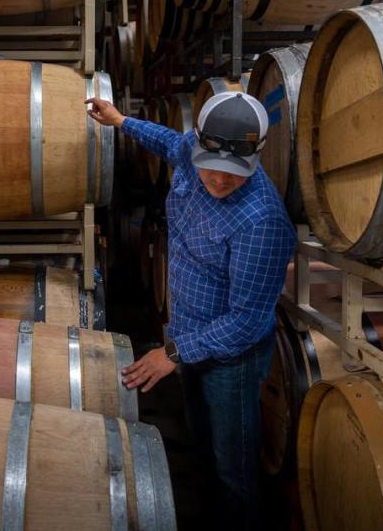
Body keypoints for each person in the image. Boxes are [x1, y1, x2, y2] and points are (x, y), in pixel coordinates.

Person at [86, 92, 295, 528]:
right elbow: (166, 142)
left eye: (234, 174)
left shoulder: (262, 222)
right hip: (185, 334)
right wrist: (122, 120)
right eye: (211, 167)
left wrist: (173, 354)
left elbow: (248, 322)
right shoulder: (191, 149)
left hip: (229, 361)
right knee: (200, 441)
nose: (219, 180)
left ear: (256, 156)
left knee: (232, 468)